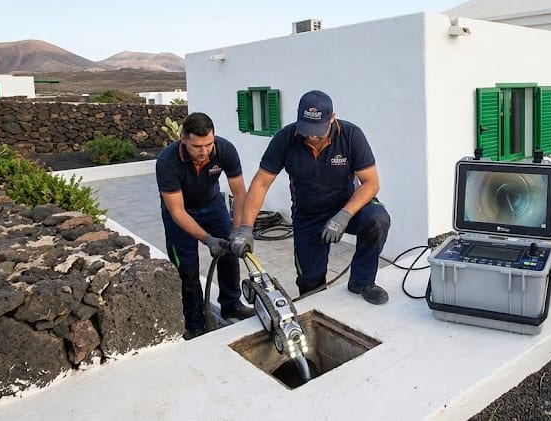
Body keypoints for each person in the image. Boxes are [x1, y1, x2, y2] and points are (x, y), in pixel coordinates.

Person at [230, 90, 392, 305]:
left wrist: (344, 215)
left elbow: (371, 183)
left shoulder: (351, 135)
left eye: (318, 130)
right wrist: (246, 228)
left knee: (377, 220)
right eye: (307, 129)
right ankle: (316, 305)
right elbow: (260, 183)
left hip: (347, 207)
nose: (312, 136)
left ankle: (362, 281)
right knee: (310, 282)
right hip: (308, 215)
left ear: (332, 118)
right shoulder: (285, 139)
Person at [156, 112, 255, 340]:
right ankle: (195, 322)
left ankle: (231, 305)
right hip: (180, 212)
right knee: (187, 269)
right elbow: (177, 211)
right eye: (197, 146)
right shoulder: (167, 162)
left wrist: (237, 231)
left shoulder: (224, 150)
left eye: (208, 144)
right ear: (183, 138)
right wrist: (207, 239)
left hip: (213, 206)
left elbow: (240, 193)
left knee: (231, 254)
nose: (204, 152)